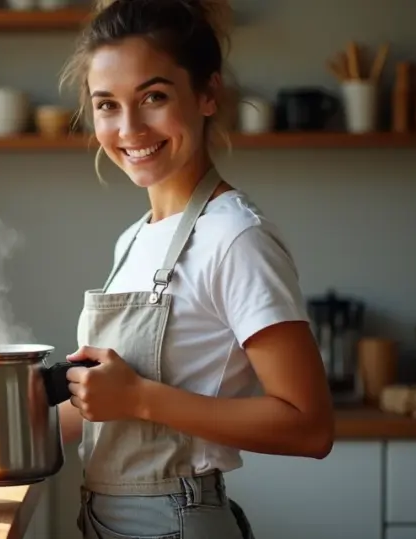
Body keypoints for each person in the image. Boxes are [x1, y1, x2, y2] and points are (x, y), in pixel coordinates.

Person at [55, 0, 336, 537]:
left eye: (153, 97)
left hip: (174, 520)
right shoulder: (134, 240)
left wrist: (139, 397)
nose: (129, 127)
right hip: (107, 518)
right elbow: (110, 406)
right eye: (107, 105)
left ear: (208, 94)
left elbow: (309, 426)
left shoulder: (236, 237)